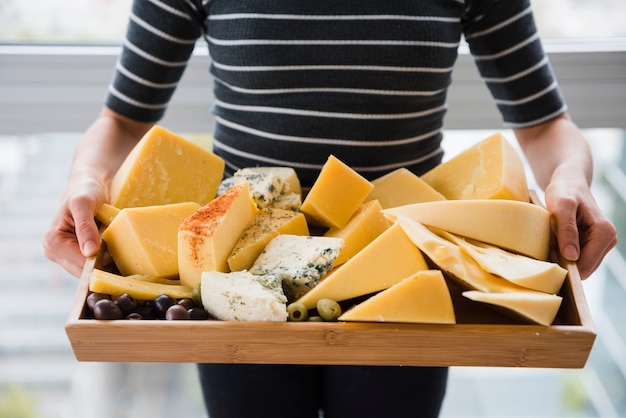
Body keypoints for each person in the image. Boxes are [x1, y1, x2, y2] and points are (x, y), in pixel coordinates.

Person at [43, 0, 617, 417]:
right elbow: (121, 118)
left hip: (398, 280)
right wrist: (85, 180)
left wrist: (570, 176)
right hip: (237, 281)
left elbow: (545, 125)